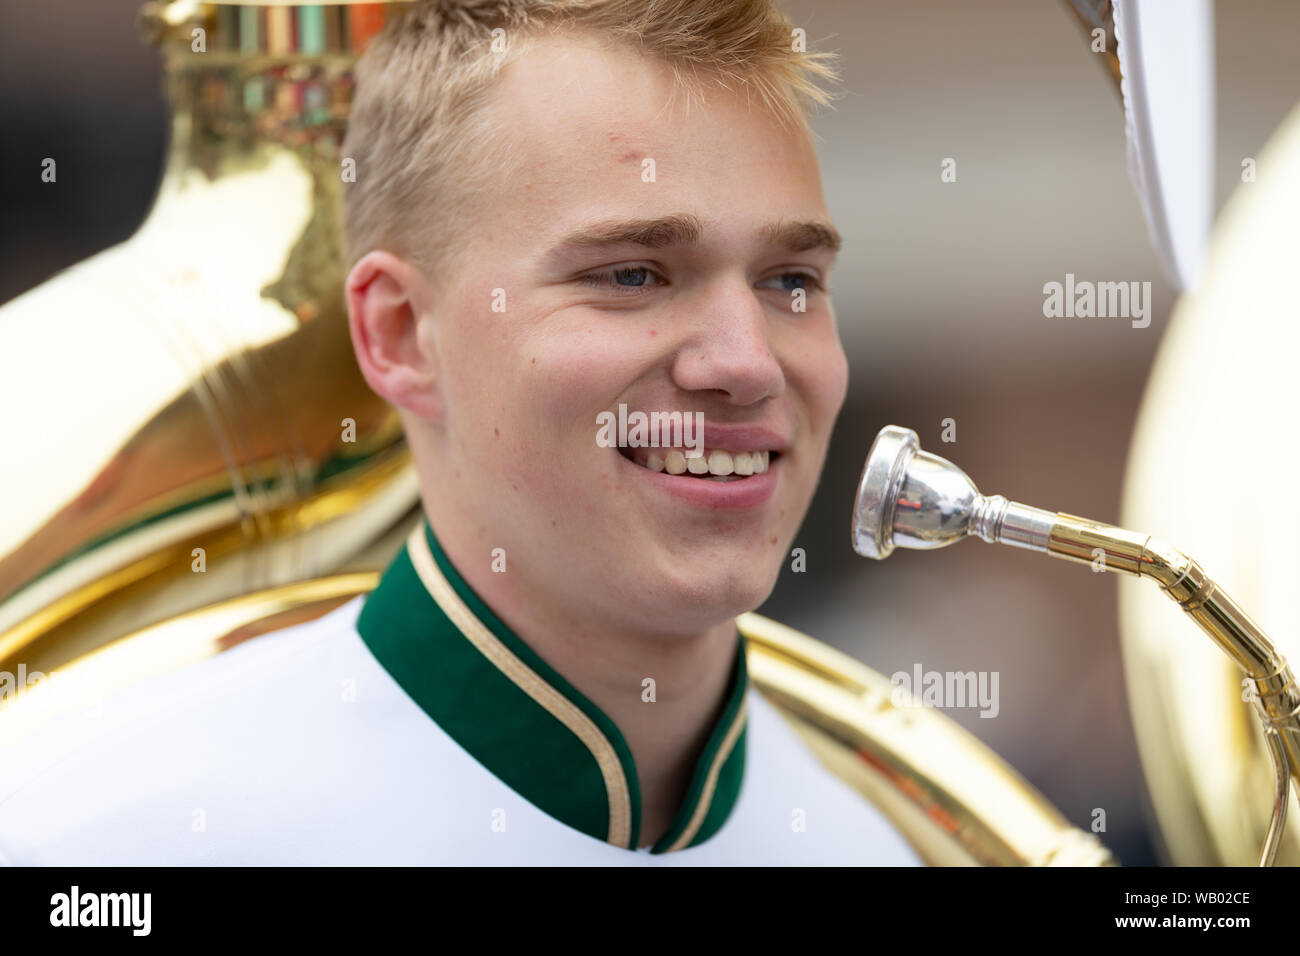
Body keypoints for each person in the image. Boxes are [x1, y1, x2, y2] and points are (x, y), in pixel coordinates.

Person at [0, 0, 921, 865]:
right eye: (633, 274)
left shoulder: (886, 846)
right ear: (400, 333)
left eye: (790, 281)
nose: (749, 362)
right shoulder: (92, 839)